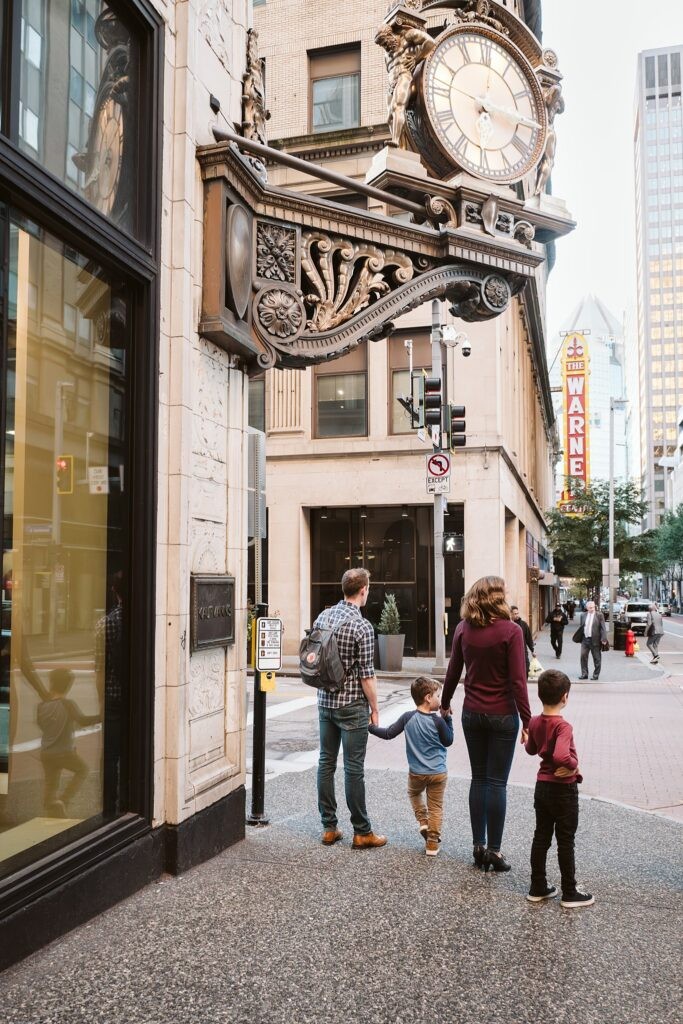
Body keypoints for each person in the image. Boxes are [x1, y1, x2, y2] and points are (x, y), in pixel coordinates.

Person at [441, 576, 531, 872]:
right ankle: (495, 850)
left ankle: (478, 846)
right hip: (503, 714)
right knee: (496, 783)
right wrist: (528, 721)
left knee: (478, 779)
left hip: (472, 714)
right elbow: (519, 681)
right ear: (497, 597)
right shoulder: (512, 631)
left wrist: (444, 703)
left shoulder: (463, 629)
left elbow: (453, 671)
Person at [313, 567, 386, 849]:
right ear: (363, 590)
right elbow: (367, 675)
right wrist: (375, 708)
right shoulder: (362, 627)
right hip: (352, 705)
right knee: (353, 769)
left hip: (324, 702)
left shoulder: (324, 616)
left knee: (325, 763)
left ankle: (329, 828)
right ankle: (362, 831)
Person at [525, 669, 594, 908]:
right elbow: (561, 755)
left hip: (542, 786)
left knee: (541, 837)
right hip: (563, 790)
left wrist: (528, 737)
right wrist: (574, 767)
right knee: (565, 840)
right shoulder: (563, 726)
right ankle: (569, 892)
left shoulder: (534, 721)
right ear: (565, 696)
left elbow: (531, 750)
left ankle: (538, 886)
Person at [370, 677, 453, 856]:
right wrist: (448, 720)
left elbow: (388, 733)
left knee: (414, 793)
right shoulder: (438, 721)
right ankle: (432, 844)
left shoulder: (408, 717)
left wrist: (371, 728)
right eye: (438, 696)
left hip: (416, 773)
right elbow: (448, 741)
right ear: (428, 698)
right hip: (438, 772)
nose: (440, 700)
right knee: (436, 807)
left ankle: (423, 821)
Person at [37, 668, 100, 817]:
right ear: (68, 686)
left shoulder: (41, 706)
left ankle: (51, 805)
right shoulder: (68, 704)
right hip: (64, 752)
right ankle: (64, 800)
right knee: (82, 770)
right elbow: (83, 721)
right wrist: (102, 716)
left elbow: (42, 725)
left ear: (51, 683)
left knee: (51, 782)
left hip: (46, 752)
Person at [576, 600, 608, 680]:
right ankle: (584, 674)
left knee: (597, 658)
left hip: (595, 640)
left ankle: (596, 675)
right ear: (587, 608)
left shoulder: (599, 615)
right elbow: (582, 627)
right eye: (590, 607)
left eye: (593, 607)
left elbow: (603, 627)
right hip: (585, 639)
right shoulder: (583, 615)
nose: (592, 609)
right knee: (583, 656)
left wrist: (604, 638)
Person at [511, 605, 534, 675]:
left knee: (526, 669)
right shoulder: (509, 625)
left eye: (517, 613)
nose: (517, 615)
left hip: (523, 651)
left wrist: (532, 650)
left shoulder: (523, 624)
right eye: (515, 614)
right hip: (513, 652)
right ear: (510, 614)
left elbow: (528, 638)